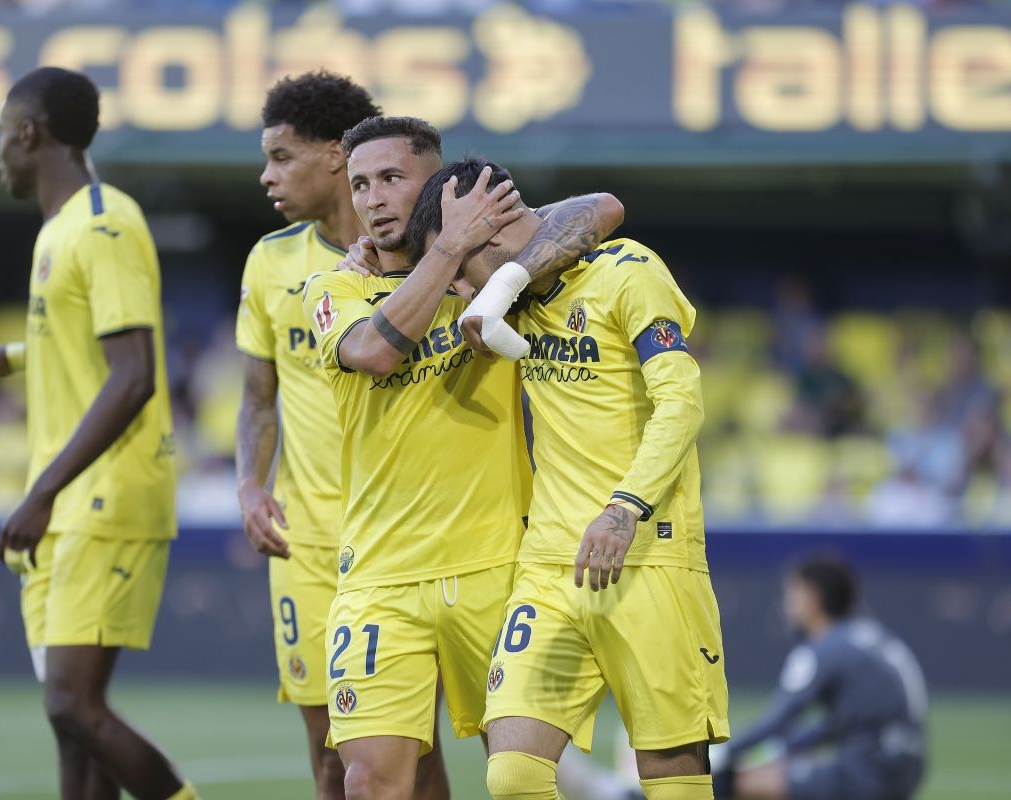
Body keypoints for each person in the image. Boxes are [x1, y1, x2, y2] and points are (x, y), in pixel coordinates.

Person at [303, 116, 625, 800]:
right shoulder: (334, 290)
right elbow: (374, 353)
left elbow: (604, 208)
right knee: (368, 784)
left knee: (520, 779)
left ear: (442, 187)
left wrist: (499, 272)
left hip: (498, 571)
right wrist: (447, 247)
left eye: (392, 178)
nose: (372, 198)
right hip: (379, 580)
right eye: (359, 183)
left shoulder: (493, 281)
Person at [404, 156, 729, 800]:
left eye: (462, 271)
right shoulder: (518, 305)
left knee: (670, 776)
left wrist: (624, 507)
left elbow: (682, 402)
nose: (464, 296)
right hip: (551, 563)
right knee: (514, 774)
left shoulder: (628, 272)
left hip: (647, 553)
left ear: (492, 232)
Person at [0, 68, 198, 800]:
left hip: (100, 497)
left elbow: (134, 373)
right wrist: (6, 358)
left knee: (71, 704)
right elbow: (86, 346)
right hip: (73, 500)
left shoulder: (106, 223)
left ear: (28, 133)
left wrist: (42, 491)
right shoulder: (64, 229)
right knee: (71, 730)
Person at [234, 71, 449, 799]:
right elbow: (258, 396)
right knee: (333, 758)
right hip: (310, 541)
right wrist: (248, 484)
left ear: (334, 154)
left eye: (281, 157)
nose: (267, 176)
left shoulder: (433, 260)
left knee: (412, 756)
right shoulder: (270, 262)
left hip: (413, 540)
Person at [712, 555, 927, 800]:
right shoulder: (873, 636)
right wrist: (778, 752)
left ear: (812, 599)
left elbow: (778, 722)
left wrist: (722, 754)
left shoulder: (822, 649)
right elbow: (827, 728)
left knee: (728, 780)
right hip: (905, 768)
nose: (785, 605)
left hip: (866, 773)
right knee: (792, 761)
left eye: (792, 594)